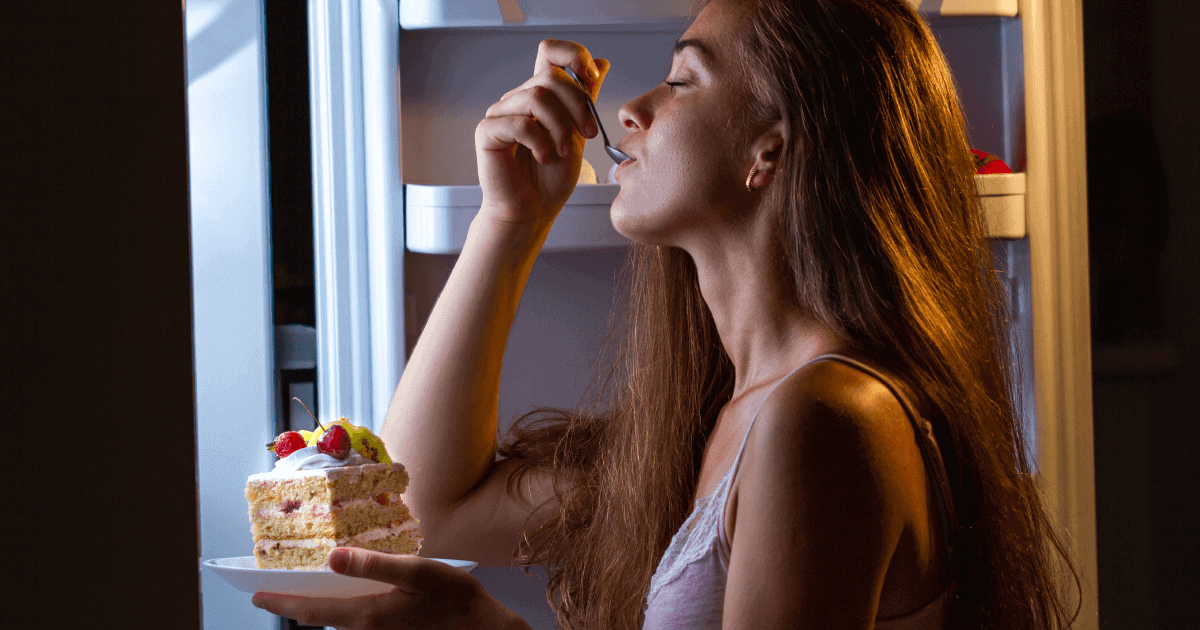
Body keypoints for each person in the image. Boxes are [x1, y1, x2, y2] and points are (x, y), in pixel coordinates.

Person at [252, 0, 1079, 628]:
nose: (630, 111)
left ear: (773, 150)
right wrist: (508, 225)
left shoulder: (827, 419)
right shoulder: (714, 425)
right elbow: (421, 513)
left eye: (683, 79)